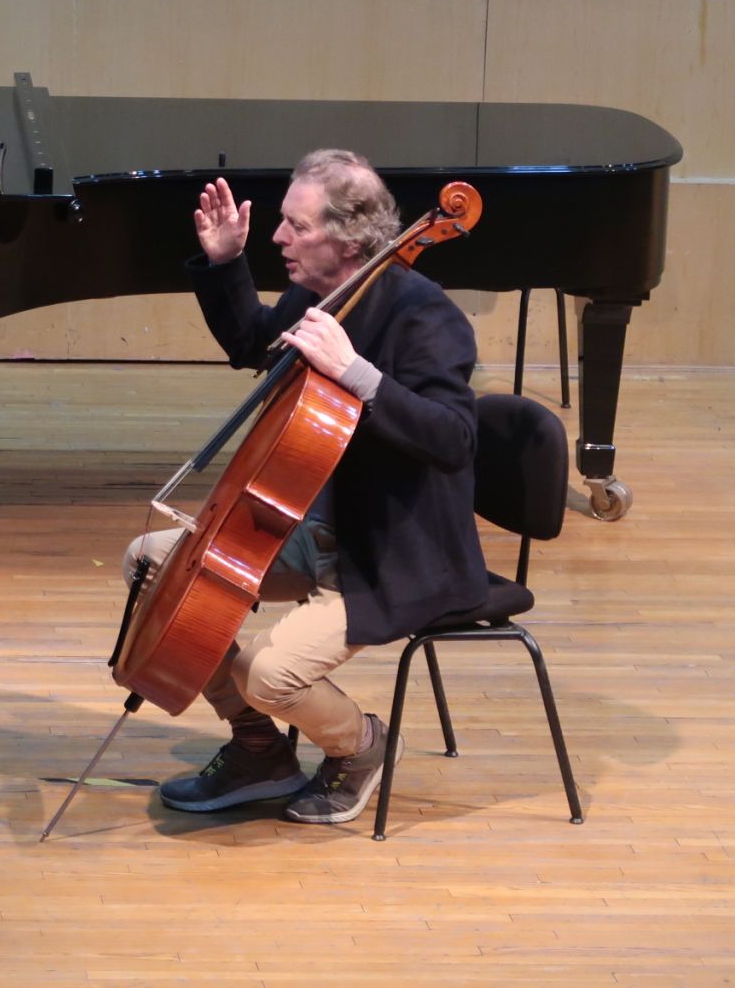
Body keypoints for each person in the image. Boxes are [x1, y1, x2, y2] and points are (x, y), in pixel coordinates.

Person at [123, 149, 487, 824]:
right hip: (309, 529)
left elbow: (454, 439)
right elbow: (255, 345)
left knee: (267, 674)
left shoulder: (424, 316)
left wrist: (359, 376)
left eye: (297, 226)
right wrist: (226, 262)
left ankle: (362, 747)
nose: (278, 238)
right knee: (153, 568)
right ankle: (258, 751)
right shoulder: (322, 295)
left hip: (387, 556)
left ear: (349, 239)